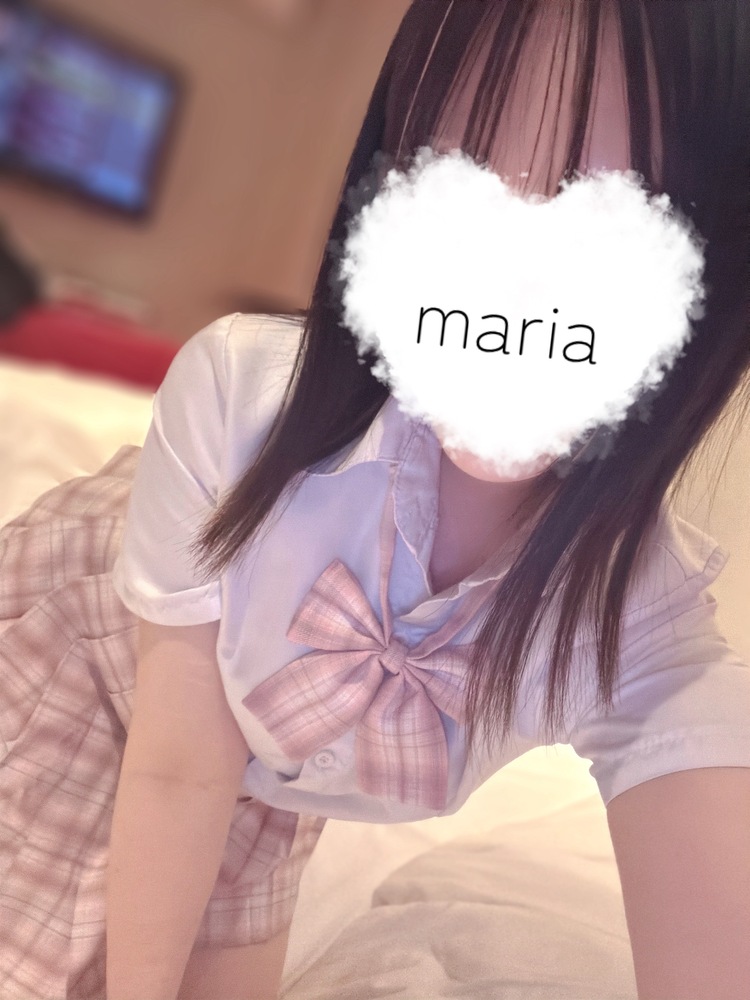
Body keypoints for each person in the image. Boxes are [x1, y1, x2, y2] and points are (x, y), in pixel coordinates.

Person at [1, 2, 749, 998]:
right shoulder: (237, 398)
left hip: (272, 770)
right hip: (90, 648)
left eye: (618, 213)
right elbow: (179, 765)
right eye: (462, 172)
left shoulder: (644, 622)